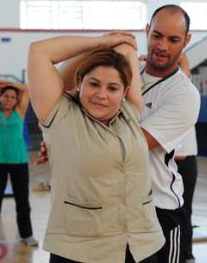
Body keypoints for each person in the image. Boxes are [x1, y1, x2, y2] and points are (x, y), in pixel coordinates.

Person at [28, 33, 165, 263]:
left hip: (141, 247)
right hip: (81, 251)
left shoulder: (130, 112)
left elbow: (126, 47)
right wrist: (101, 42)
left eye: (112, 88)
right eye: (93, 84)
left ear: (124, 91)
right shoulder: (60, 115)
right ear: (79, 81)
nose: (102, 94)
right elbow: (39, 51)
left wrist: (115, 44)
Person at [140, 5, 200, 263]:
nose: (163, 46)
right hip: (119, 206)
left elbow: (134, 145)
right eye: (157, 36)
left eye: (173, 39)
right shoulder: (121, 75)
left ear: (186, 40)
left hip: (160, 209)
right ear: (147, 32)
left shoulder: (184, 95)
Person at [0, 79, 38, 249]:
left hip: (19, 162)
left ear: (16, 100)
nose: (9, 99)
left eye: (13, 97)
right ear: (0, 97)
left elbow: (27, 88)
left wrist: (9, 84)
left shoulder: (19, 112)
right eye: (6, 96)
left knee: (22, 201)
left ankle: (27, 235)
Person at [174, 54, 198, 263]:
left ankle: (187, 254)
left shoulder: (183, 84)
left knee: (185, 209)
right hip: (167, 161)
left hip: (187, 158)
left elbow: (183, 57)